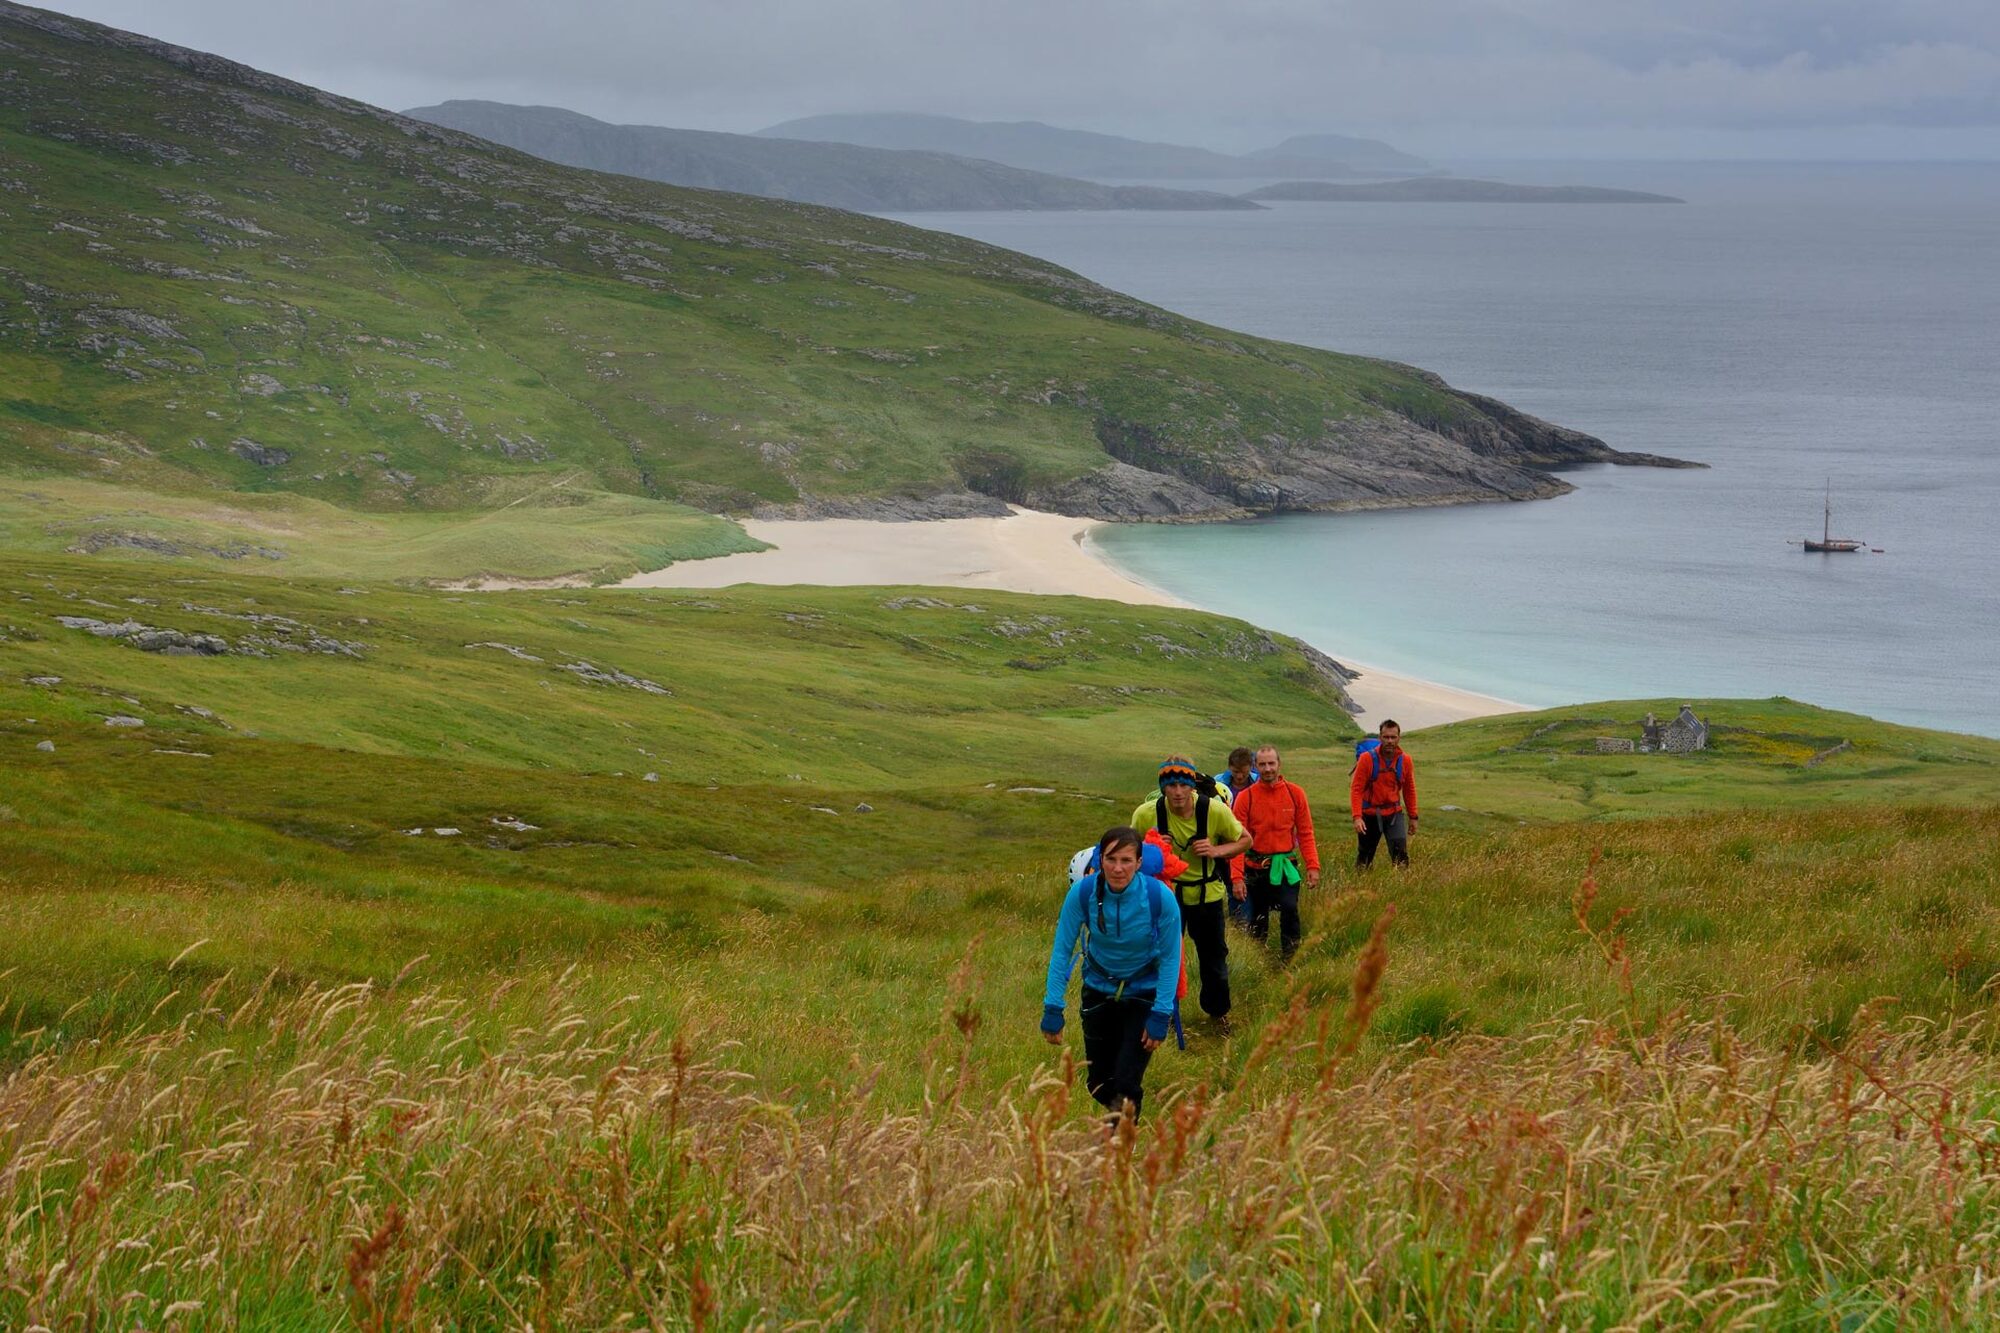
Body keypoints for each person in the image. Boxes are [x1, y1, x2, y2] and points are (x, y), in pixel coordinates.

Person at [1041, 826, 1184, 1122]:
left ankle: (1119, 1146)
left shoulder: (1160, 898)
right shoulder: (1082, 893)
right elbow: (1061, 950)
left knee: (1126, 1082)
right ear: (1100, 859)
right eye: (1111, 859)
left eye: (1126, 860)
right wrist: (1053, 1007)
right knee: (1097, 1084)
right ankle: (1123, 1123)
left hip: (1143, 994)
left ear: (1139, 863)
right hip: (1097, 991)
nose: (1118, 868)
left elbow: (1172, 958)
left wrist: (1161, 1013)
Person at [1132, 757, 1250, 1026]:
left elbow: (1245, 840)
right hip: (1163, 897)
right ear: (1163, 788)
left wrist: (1216, 851)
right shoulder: (1146, 814)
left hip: (1206, 895)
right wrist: (1151, 849)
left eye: (1183, 785)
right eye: (1170, 785)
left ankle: (1218, 1014)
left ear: (1192, 786)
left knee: (1214, 958)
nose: (1177, 792)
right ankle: (1163, 1016)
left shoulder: (1215, 811)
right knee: (1160, 956)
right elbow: (1130, 853)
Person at [1231, 745, 1320, 960]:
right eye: (1262, 764)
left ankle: (1291, 960)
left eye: (1271, 763)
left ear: (1279, 764)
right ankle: (1258, 962)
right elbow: (1236, 841)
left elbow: (1306, 833)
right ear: (1255, 766)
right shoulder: (1245, 798)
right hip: (1255, 869)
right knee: (1259, 919)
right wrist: (1236, 878)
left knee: (1290, 909)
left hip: (1286, 866)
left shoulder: (1295, 793)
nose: (1268, 768)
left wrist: (1313, 866)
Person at [1351, 719, 1418, 868]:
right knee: (1365, 857)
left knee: (1400, 855)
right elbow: (1356, 789)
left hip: (1394, 813)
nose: (1389, 741)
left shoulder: (1405, 760)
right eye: (1386, 737)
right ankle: (1361, 886)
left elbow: (1409, 789)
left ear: (1399, 738)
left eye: (1393, 737)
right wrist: (1357, 817)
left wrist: (1413, 817)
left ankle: (1403, 887)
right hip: (1369, 814)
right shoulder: (1366, 759)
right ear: (1380, 738)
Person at [1215, 746, 1259, 926]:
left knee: (1245, 888)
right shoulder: (1217, 783)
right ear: (1229, 767)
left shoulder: (1258, 783)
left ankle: (1246, 925)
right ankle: (1236, 925)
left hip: (1249, 845)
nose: (1239, 776)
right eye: (1235, 772)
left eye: (1243, 772)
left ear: (1251, 766)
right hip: (1223, 845)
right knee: (1232, 885)